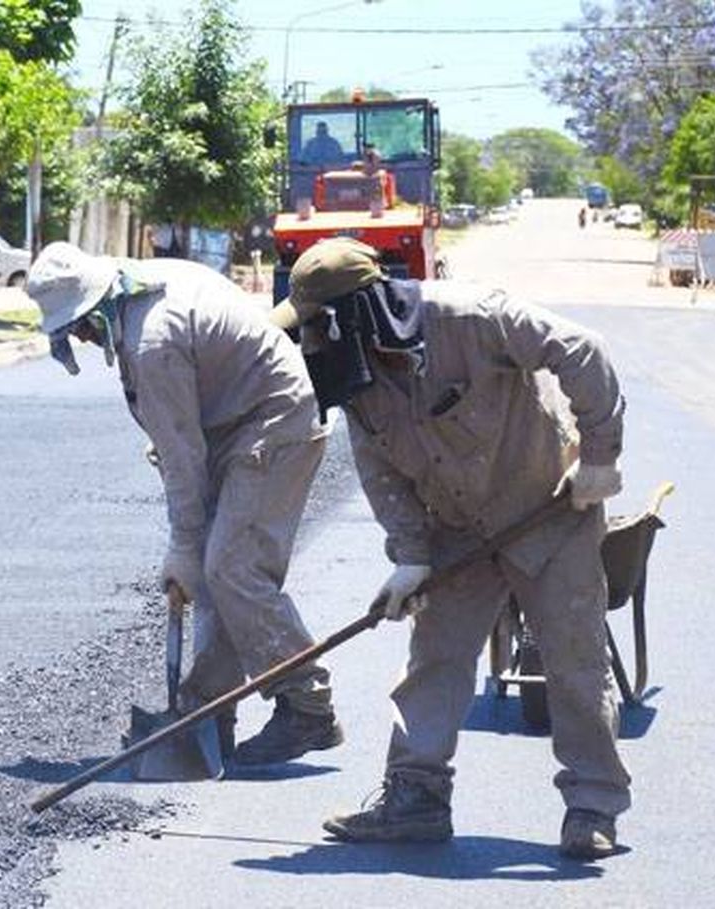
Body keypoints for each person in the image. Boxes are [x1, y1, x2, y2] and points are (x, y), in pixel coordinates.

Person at [268, 238, 631, 861]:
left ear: (357, 311)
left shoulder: (469, 318)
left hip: (548, 509)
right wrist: (410, 556)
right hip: (458, 528)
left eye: (319, 324)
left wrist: (600, 458)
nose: (312, 342)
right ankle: (415, 798)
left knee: (573, 662)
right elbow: (379, 468)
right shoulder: (353, 372)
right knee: (434, 658)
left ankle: (592, 806)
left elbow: (582, 350)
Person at [27, 241, 341, 765]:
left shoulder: (153, 342)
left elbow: (181, 458)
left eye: (78, 326)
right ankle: (207, 711)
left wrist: (183, 544)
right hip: (235, 424)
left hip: (271, 425)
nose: (79, 338)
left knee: (232, 568)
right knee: (219, 571)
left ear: (96, 306)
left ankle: (307, 705)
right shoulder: (147, 285)